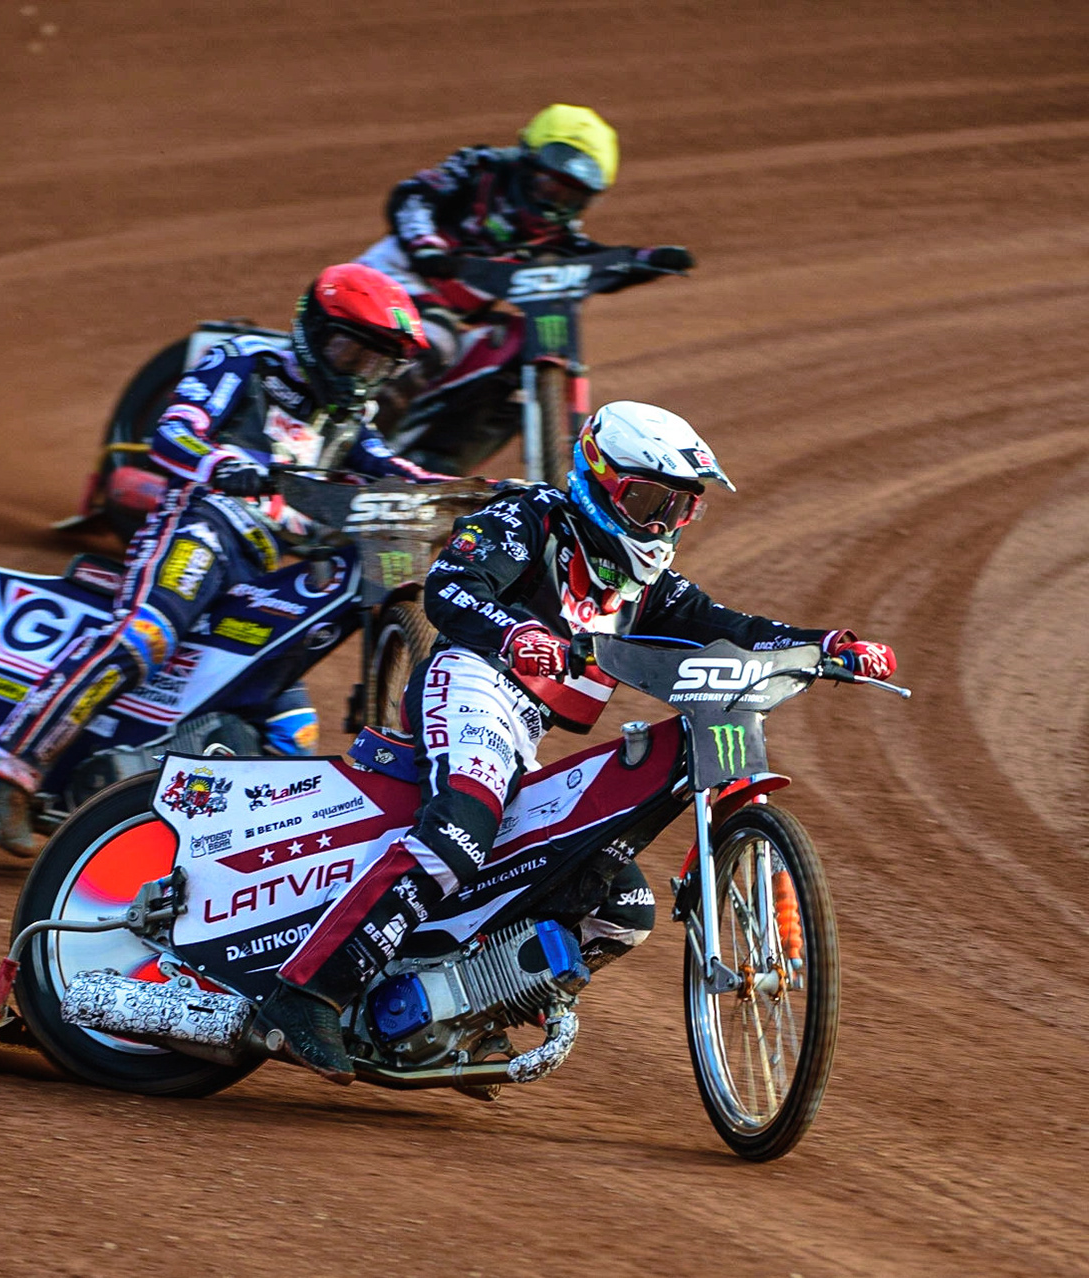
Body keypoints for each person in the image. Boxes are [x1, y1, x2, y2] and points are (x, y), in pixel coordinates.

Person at [253, 400, 898, 1083]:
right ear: (599, 479)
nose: (660, 525)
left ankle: (461, 1012)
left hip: (521, 725)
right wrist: (514, 632)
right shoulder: (528, 519)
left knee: (622, 907)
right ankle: (307, 994)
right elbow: (448, 586)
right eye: (648, 501)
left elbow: (726, 626)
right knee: (462, 833)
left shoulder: (643, 584)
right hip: (471, 679)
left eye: (678, 509)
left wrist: (827, 646)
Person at [0, 264, 450, 855]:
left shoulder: (353, 419)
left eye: (375, 363)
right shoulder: (247, 358)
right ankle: (11, 769)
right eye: (351, 351)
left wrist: (478, 491)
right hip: (202, 528)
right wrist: (221, 464)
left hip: (268, 567)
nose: (359, 373)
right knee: (143, 636)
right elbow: (173, 432)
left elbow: (397, 474)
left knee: (290, 731)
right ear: (312, 330)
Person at [355, 105, 696, 467]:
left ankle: (435, 463)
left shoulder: (556, 235)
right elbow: (414, 196)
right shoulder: (480, 168)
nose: (554, 204)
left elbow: (588, 260)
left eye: (571, 198)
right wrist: (426, 245)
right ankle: (349, 445)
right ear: (526, 162)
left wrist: (643, 259)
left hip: (452, 319)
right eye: (549, 186)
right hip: (387, 283)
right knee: (434, 338)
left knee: (518, 342)